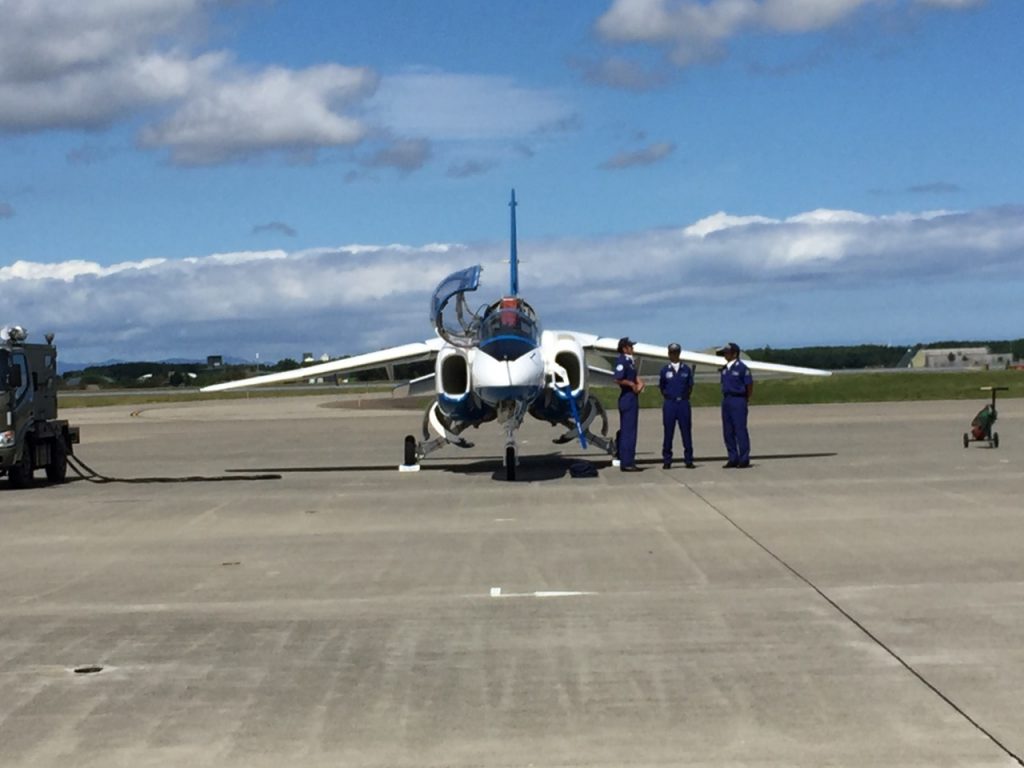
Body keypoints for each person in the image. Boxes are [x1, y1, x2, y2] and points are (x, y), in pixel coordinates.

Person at [718, 342, 753, 468]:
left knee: (740, 429)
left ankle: (744, 458)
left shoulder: (742, 368)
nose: (725, 355)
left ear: (735, 354)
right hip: (727, 400)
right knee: (728, 431)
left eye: (727, 352)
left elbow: (749, 386)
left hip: (738, 400)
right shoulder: (724, 369)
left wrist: (745, 399)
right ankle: (732, 457)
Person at [659, 343, 694, 469]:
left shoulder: (686, 369)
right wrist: (669, 396)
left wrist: (683, 396)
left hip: (683, 403)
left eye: (676, 352)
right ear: (669, 354)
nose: (673, 355)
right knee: (668, 432)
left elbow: (690, 386)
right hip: (670, 403)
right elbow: (662, 387)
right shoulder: (665, 370)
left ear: (679, 353)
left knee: (686, 432)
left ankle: (688, 459)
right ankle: (667, 460)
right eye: (671, 352)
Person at [614, 337, 644, 472]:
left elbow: (633, 376)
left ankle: (628, 459)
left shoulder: (630, 362)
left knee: (630, 430)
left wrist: (639, 382)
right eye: (631, 347)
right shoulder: (623, 360)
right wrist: (632, 384)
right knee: (628, 431)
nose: (633, 349)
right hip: (627, 397)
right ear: (624, 348)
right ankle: (626, 462)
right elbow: (618, 378)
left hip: (632, 397)